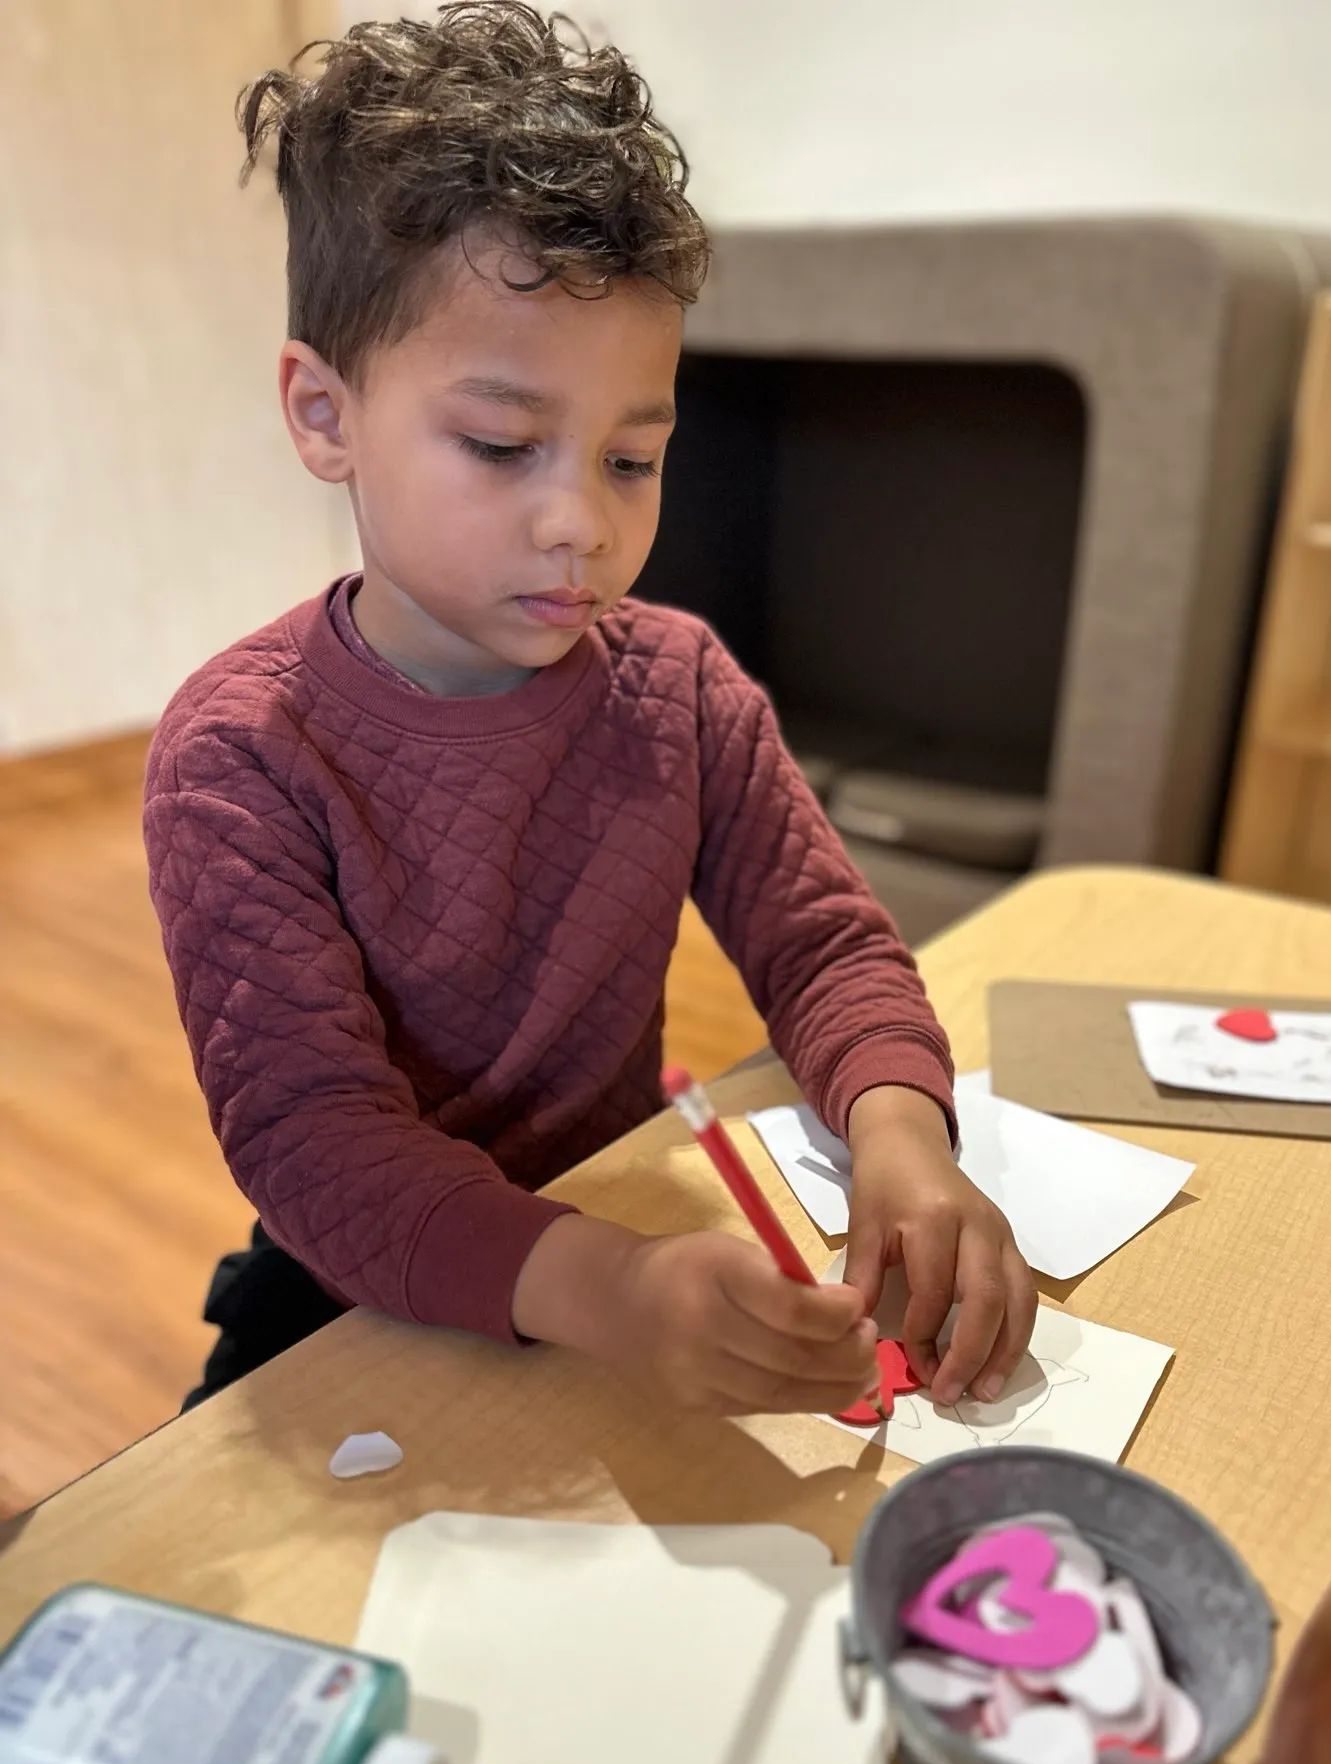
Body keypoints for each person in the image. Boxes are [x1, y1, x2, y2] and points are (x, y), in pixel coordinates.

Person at [145, 1, 1036, 1416]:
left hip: (623, 1218)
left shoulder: (679, 687)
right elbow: (317, 1143)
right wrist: (606, 1285)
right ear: (324, 415)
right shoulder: (241, 756)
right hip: (359, 1281)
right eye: (502, 445)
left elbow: (823, 944)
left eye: (633, 457)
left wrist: (904, 1137)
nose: (580, 524)